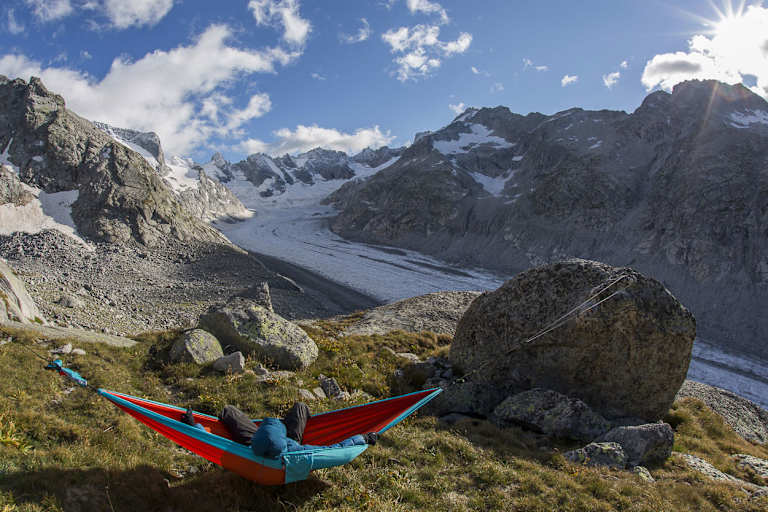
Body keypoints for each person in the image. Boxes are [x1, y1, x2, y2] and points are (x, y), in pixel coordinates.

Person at [182, 402, 378, 458]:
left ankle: (276, 427)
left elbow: (207, 439)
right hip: (291, 442)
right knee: (301, 407)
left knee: (228, 411)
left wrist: (192, 423)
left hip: (255, 443)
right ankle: (283, 425)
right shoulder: (298, 453)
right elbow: (333, 450)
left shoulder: (247, 449)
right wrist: (363, 438)